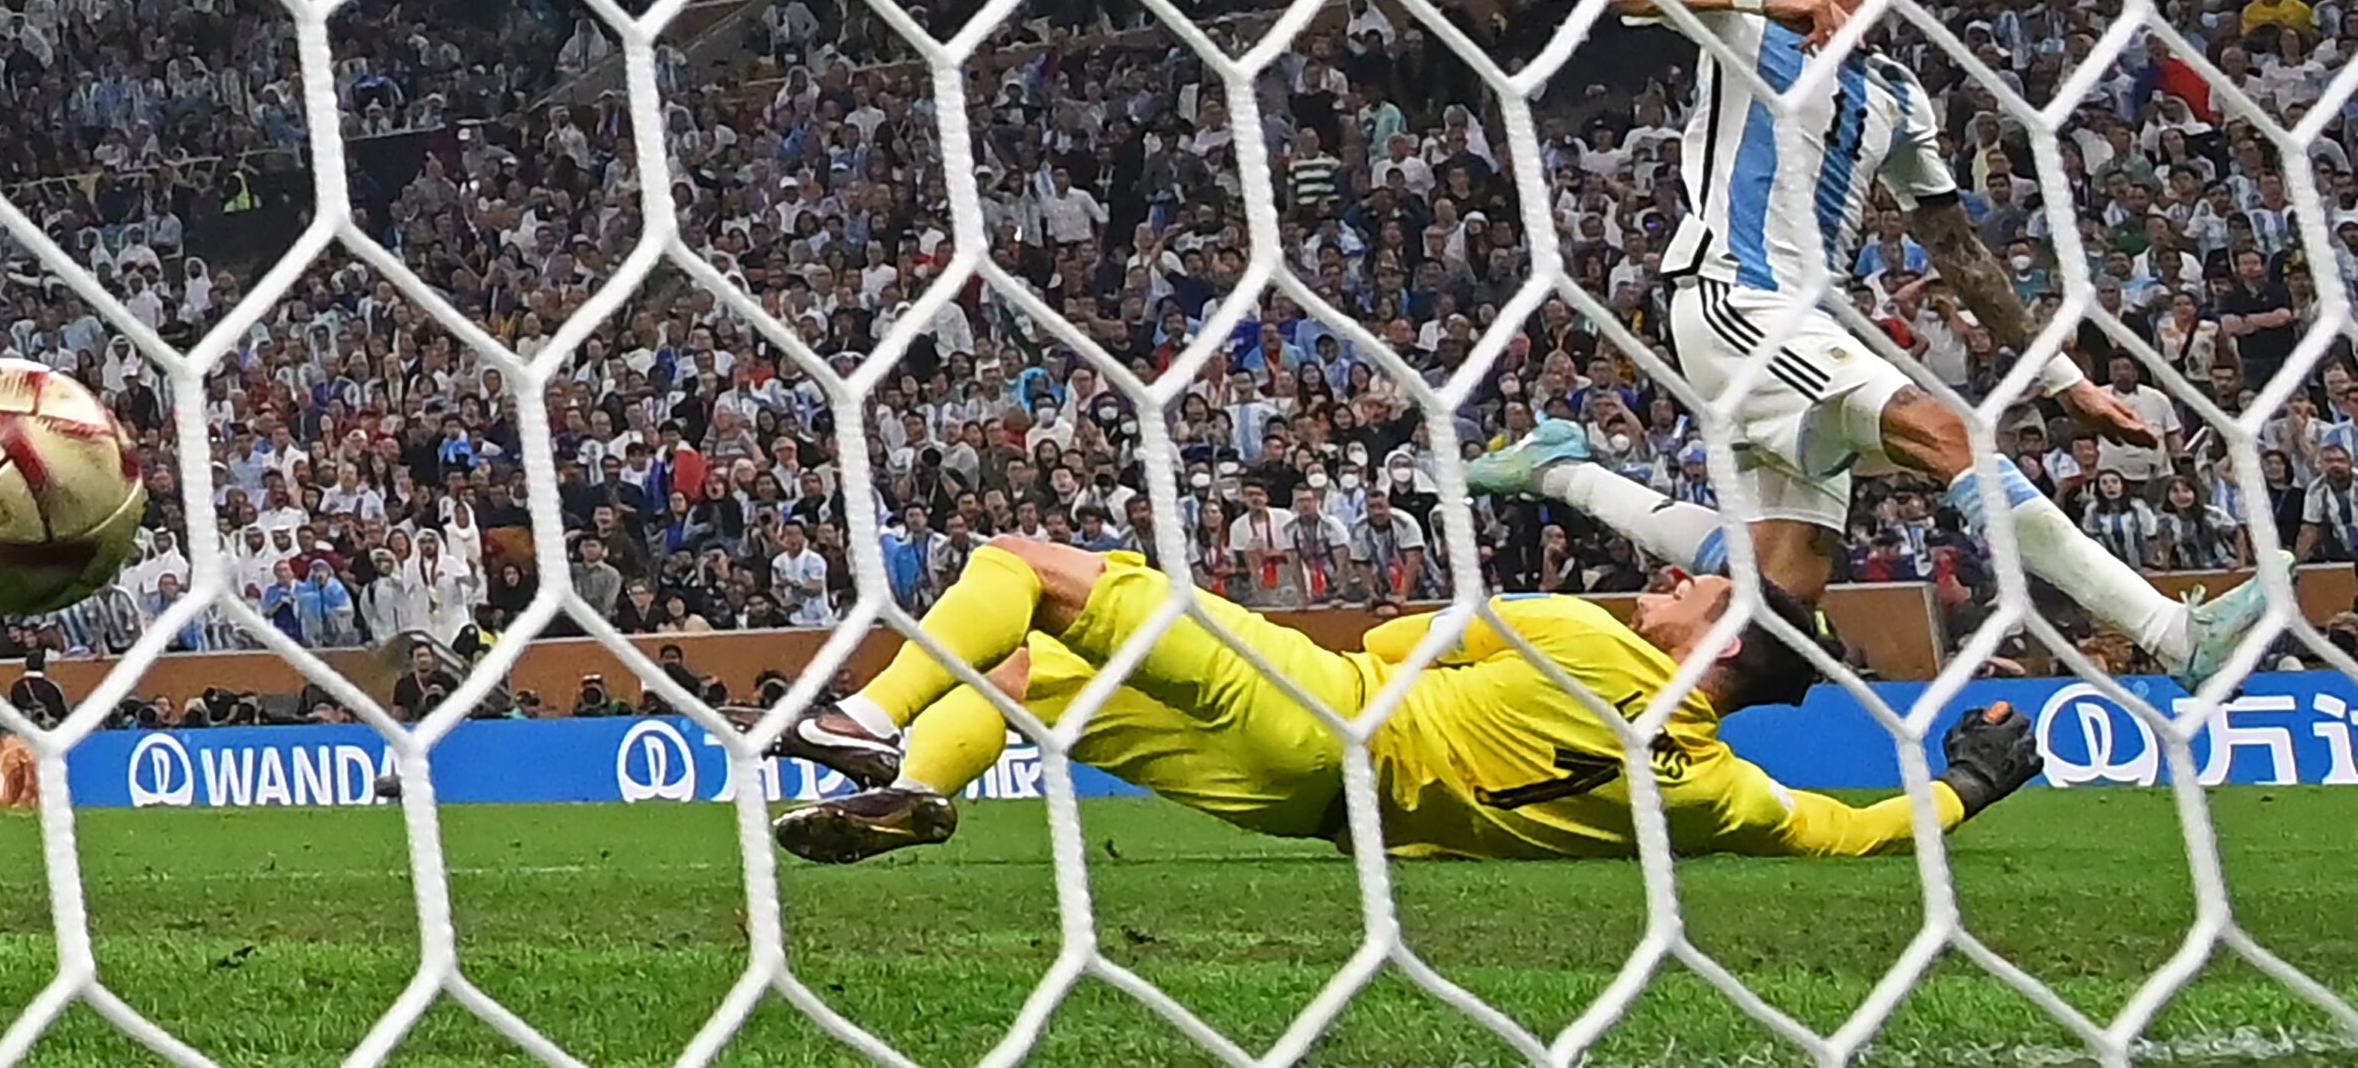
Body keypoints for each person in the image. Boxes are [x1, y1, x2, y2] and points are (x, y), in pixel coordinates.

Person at [1466, 0, 2278, 690]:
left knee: (1782, 588)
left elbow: (1958, 251)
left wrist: (2067, 384)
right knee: (1946, 434)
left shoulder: (1896, 94)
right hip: (1733, 296)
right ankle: (2172, 633)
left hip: (1804, 322)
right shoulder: (1751, 17)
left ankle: (1565, 472)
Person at [737, 538, 2042, 864]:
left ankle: (863, 719)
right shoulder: (1715, 788)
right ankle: (919, 785)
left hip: (1332, 710)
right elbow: (1855, 830)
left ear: (1718, 651)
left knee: (1028, 567)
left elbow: (1404, 632)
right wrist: (1967, 782)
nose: (1676, 574)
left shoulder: (1585, 639)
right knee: (1036, 675)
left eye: (1702, 587)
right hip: (1308, 812)